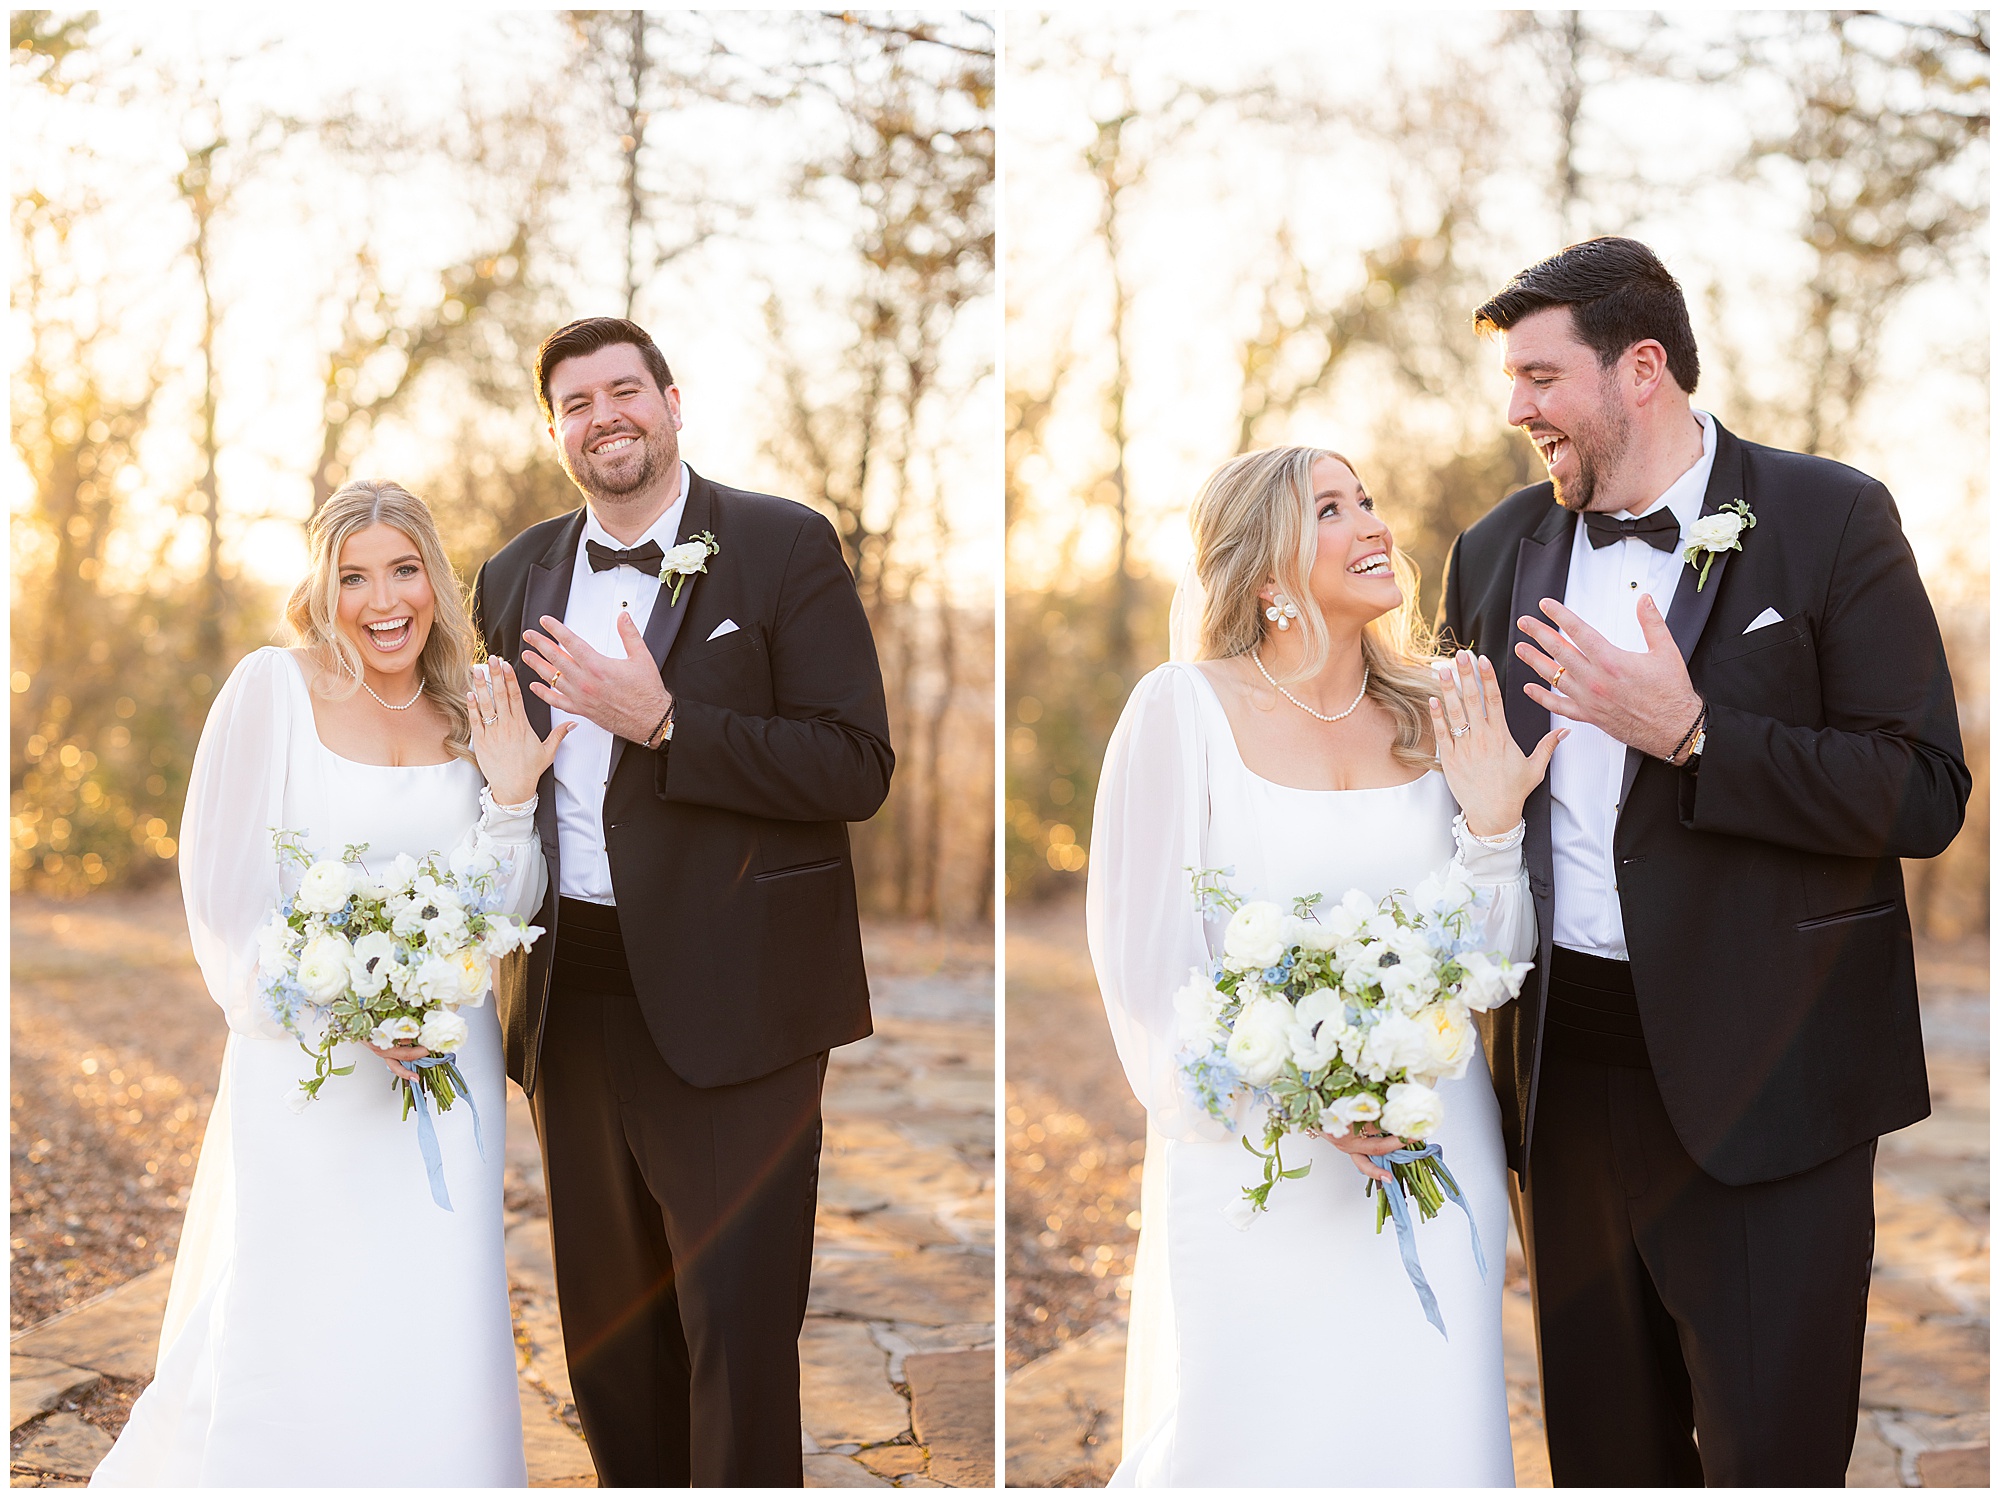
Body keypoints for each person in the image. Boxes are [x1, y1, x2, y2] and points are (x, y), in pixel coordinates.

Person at [1436, 236, 1970, 1486]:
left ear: (1640, 368)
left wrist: (1690, 733)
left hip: (1772, 1086)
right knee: (1605, 1462)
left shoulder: (1829, 517)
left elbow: (1922, 789)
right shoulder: (1492, 550)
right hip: (1561, 1089)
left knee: (1767, 1461)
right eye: (1508, 382)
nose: (1516, 410)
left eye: (1538, 377)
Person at [469, 316, 893, 1487]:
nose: (603, 417)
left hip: (741, 1004)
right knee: (609, 1335)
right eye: (575, 403)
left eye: (623, 391)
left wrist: (663, 723)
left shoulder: (779, 544)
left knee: (736, 1331)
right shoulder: (511, 573)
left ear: (669, 398)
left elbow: (854, 765)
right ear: (554, 428)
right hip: (574, 1003)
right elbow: (486, 770)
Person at [1088, 445, 1562, 1486]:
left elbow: (1494, 967)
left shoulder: (1441, 708)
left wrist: (1490, 826)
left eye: (1369, 500)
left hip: (1433, 1148)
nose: (1373, 522)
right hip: (1261, 1161)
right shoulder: (1181, 710)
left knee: (1424, 1430)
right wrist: (1297, 1096)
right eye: (1333, 508)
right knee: (1252, 1433)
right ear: (1265, 572)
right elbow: (1144, 969)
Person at [92, 481, 563, 1486]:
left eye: (402, 570)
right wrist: (349, 1011)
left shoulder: (464, 704)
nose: (381, 599)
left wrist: (514, 795)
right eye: (354, 575)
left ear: (433, 580)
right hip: (307, 1064)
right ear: (321, 585)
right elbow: (224, 903)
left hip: (445, 1065)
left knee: (433, 1297)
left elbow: (502, 904)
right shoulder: (273, 686)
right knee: (300, 1294)